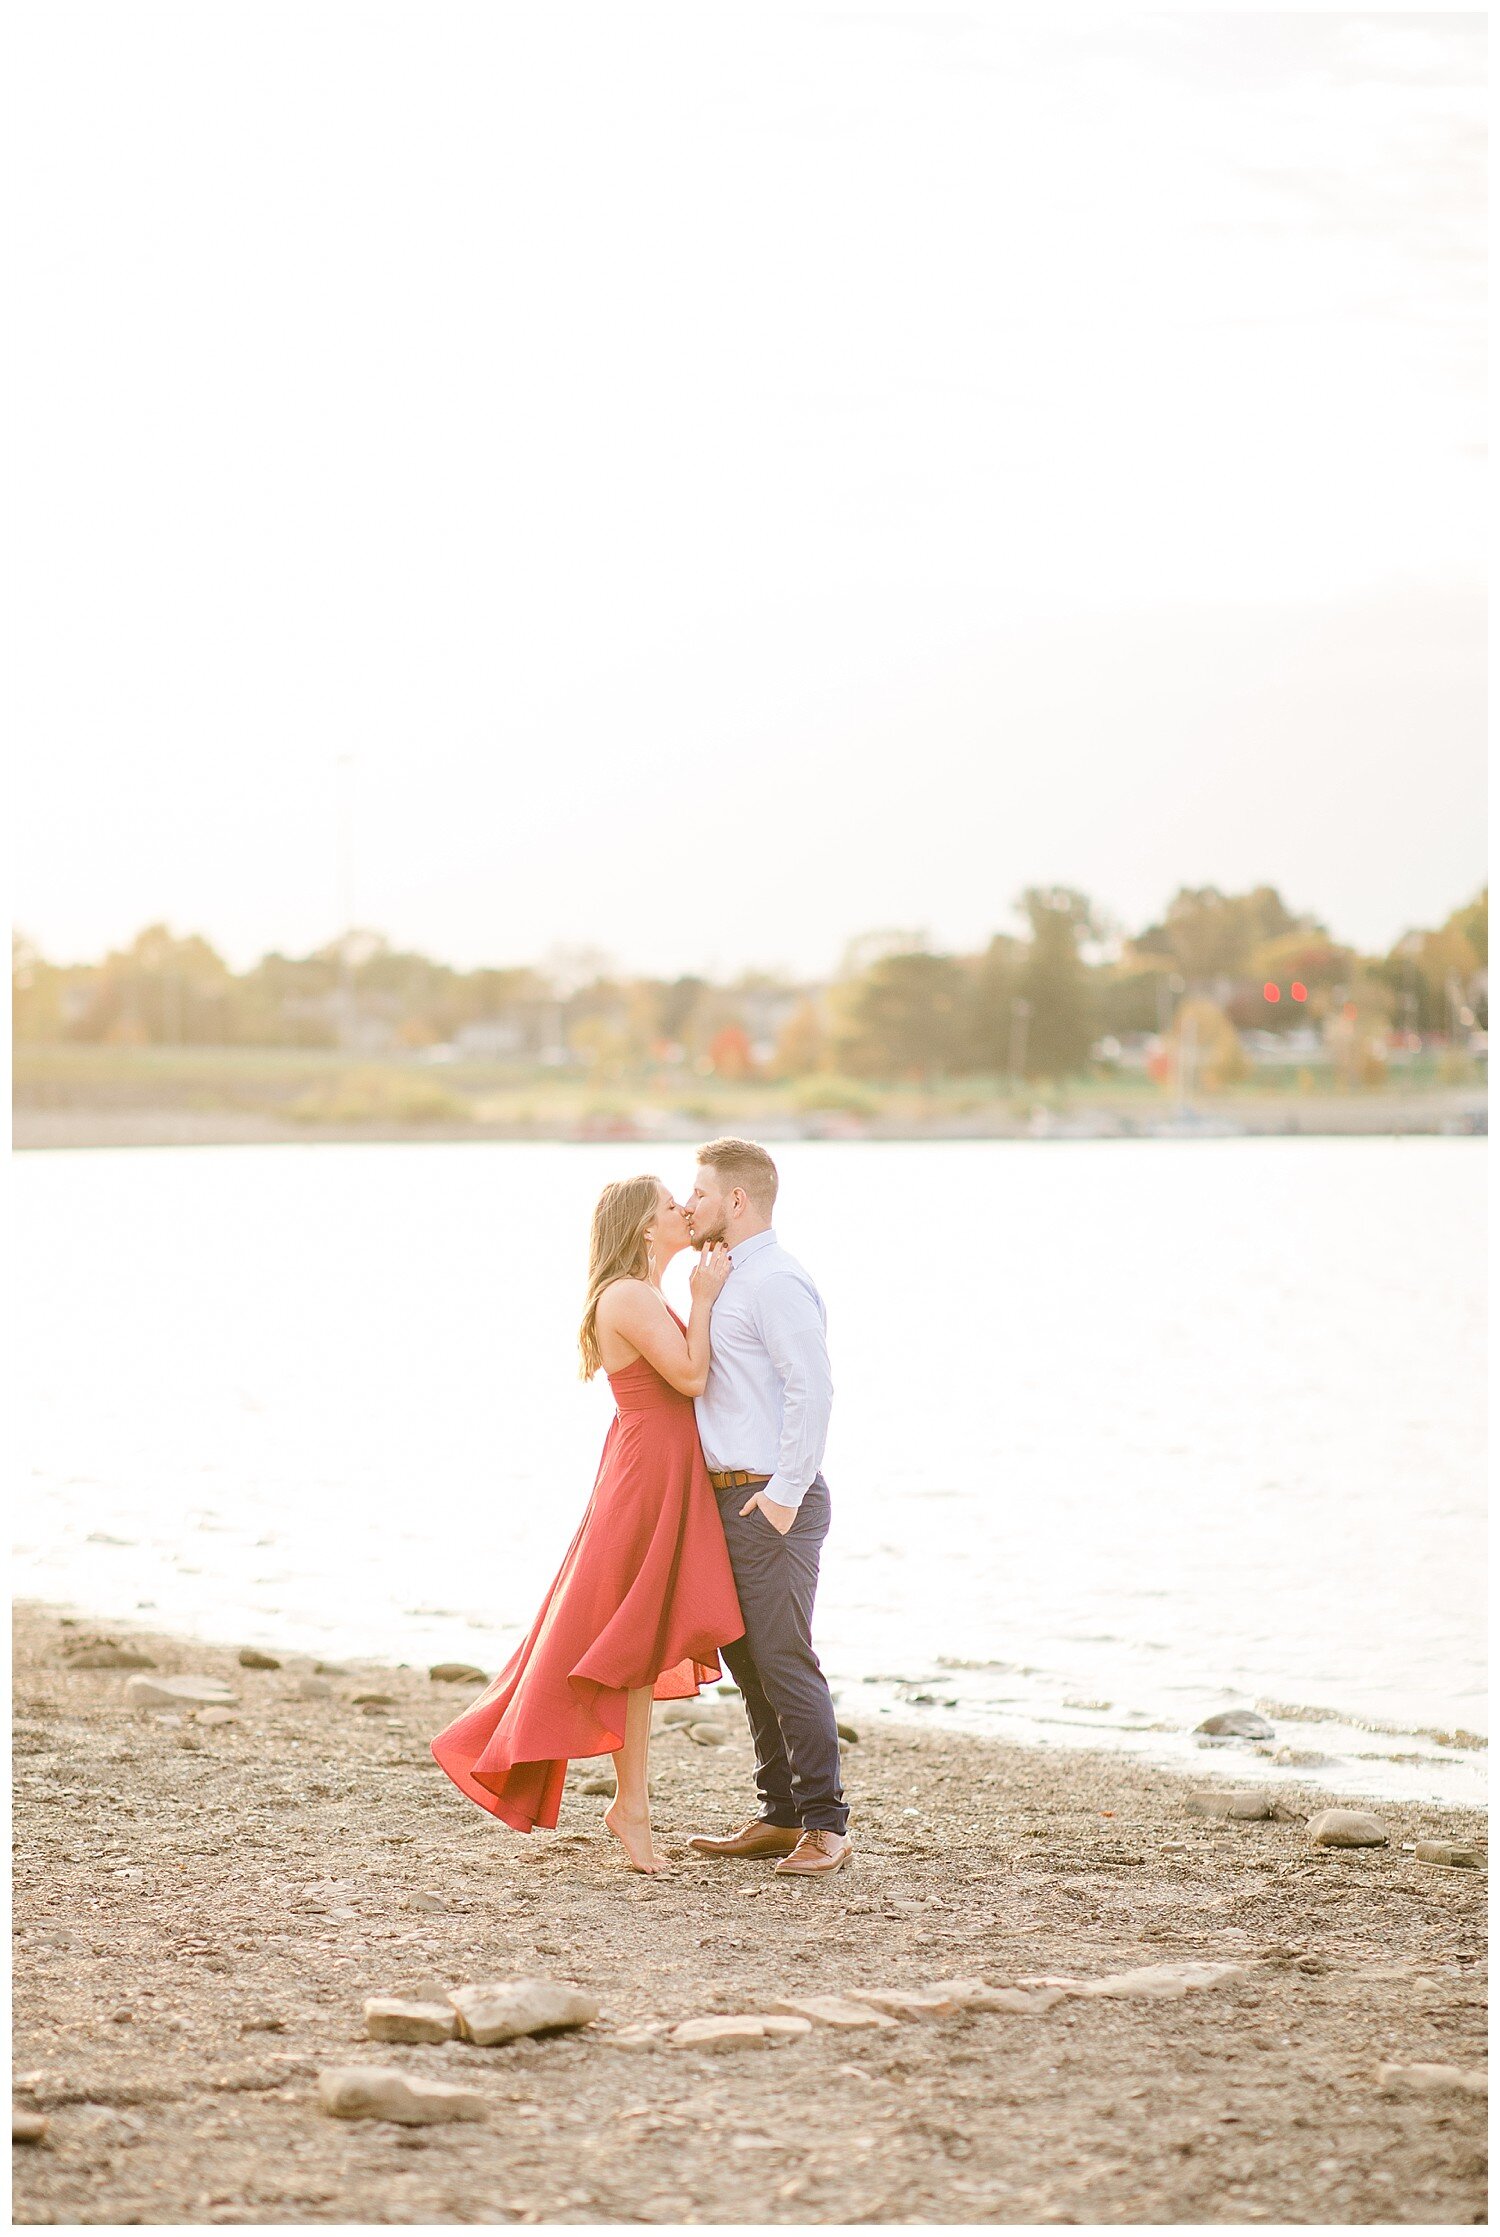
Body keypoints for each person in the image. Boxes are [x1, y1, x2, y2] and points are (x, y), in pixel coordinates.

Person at [429, 1177, 743, 1873]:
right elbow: (691, 1378)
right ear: (643, 1228)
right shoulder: (630, 1296)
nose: (683, 1211)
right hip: (646, 1473)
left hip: (656, 1466)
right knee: (623, 1644)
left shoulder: (640, 1292)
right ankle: (628, 1806)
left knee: (636, 1647)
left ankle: (630, 1806)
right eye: (670, 1205)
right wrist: (704, 1296)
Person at [683, 1138, 852, 1877]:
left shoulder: (776, 1279)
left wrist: (782, 1496)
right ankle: (780, 1814)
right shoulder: (726, 1278)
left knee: (784, 1656)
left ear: (738, 1201)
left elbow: (810, 1388)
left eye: (700, 1192)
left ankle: (827, 1824)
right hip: (731, 1498)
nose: (690, 1204)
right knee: (750, 1660)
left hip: (771, 1497)